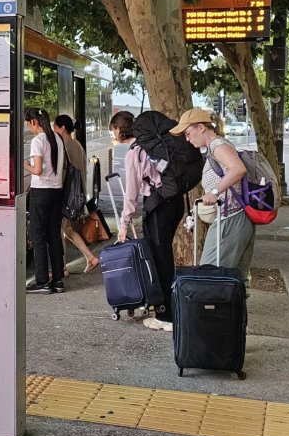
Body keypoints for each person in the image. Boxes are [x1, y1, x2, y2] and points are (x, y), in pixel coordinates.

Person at [110, 110, 188, 331]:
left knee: (160, 261)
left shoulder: (135, 152)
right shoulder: (155, 145)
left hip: (158, 206)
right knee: (165, 258)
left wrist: (124, 224)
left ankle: (166, 316)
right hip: (175, 202)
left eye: (113, 129)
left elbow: (131, 193)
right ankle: (172, 308)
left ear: (118, 129)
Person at [171, 108, 255, 278]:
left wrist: (215, 192)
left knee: (210, 276)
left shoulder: (218, 145)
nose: (187, 139)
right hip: (233, 218)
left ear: (201, 127)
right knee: (231, 277)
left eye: (188, 133)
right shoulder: (216, 146)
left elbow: (238, 169)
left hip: (230, 218)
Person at [24, 107, 66, 293]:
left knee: (39, 236)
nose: (29, 127)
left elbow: (38, 170)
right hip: (56, 191)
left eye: (29, 124)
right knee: (54, 235)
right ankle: (58, 280)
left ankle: (41, 281)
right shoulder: (57, 138)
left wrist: (26, 166)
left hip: (41, 192)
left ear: (34, 122)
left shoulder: (38, 140)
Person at [52, 114, 100, 277]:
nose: (53, 130)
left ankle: (62, 267)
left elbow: (63, 171)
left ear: (62, 128)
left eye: (55, 127)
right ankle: (91, 258)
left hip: (67, 193)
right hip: (77, 192)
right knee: (67, 229)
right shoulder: (76, 144)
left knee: (60, 229)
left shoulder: (65, 145)